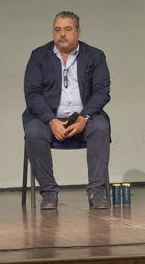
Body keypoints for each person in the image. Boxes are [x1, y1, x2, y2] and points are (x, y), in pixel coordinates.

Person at [22, 12, 112, 210]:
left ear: (78, 32)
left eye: (67, 29)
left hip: (84, 117)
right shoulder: (39, 56)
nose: (62, 34)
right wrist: (51, 121)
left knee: (100, 127)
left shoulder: (95, 56)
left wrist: (84, 118)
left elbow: (101, 92)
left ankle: (96, 192)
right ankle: (49, 193)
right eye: (57, 30)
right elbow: (32, 94)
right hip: (48, 119)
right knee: (33, 132)